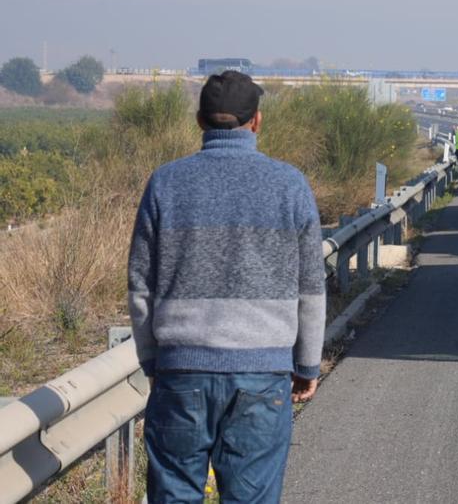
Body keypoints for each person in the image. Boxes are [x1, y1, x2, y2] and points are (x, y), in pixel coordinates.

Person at [128, 70, 326, 504]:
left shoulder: (166, 182)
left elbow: (141, 285)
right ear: (256, 121)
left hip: (181, 373)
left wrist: (152, 359)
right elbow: (311, 288)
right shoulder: (289, 184)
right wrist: (307, 365)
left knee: (174, 495)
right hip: (262, 374)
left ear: (200, 121)